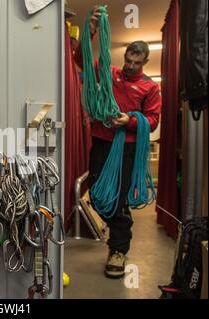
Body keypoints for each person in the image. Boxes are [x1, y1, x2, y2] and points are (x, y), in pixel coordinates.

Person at [73, 6, 162, 279]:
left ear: (145, 61)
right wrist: (89, 31)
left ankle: (118, 250)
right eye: (128, 60)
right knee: (99, 197)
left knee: (118, 198)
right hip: (101, 141)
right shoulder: (110, 74)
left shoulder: (150, 87)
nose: (131, 66)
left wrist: (130, 121)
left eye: (137, 62)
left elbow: (153, 119)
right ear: (124, 57)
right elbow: (83, 60)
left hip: (127, 147)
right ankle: (119, 230)